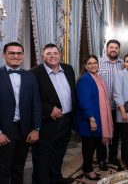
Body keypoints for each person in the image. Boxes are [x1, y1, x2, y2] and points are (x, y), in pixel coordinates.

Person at [30, 43, 76, 184]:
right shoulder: (34, 72)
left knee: (59, 151)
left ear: (59, 54)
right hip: (47, 122)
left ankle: (55, 178)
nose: (52, 56)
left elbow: (71, 92)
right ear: (42, 56)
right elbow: (31, 98)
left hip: (67, 119)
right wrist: (48, 109)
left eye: (55, 53)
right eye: (48, 53)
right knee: (43, 156)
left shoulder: (68, 69)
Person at [0, 42, 41, 184]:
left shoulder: (30, 76)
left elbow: (36, 105)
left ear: (23, 56)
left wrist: (36, 129)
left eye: (19, 53)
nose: (15, 56)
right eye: (12, 53)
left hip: (24, 130)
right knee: (3, 169)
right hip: (4, 130)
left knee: (19, 166)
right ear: (4, 55)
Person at [75, 55, 114, 181]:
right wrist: (91, 119)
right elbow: (83, 101)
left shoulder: (97, 78)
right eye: (90, 63)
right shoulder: (85, 79)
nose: (93, 65)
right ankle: (88, 170)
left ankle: (94, 164)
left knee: (96, 144)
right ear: (85, 66)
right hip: (90, 119)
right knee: (88, 147)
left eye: (95, 63)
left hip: (99, 118)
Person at [97, 39, 124, 170]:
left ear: (119, 50)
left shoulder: (123, 64)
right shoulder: (99, 63)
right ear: (106, 49)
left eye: (116, 47)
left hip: (119, 106)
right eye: (111, 47)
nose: (113, 49)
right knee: (103, 134)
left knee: (116, 133)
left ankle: (113, 157)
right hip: (103, 106)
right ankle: (102, 159)